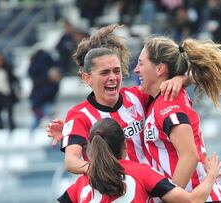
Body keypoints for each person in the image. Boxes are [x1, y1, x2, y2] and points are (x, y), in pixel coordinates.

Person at [47, 24, 187, 174]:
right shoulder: (79, 115)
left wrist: (180, 79)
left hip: (150, 189)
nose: (113, 78)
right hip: (116, 193)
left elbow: (195, 75)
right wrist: (109, 171)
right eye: (105, 72)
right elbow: (71, 162)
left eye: (116, 71)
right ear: (87, 78)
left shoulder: (137, 96)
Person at [134, 35, 221, 202]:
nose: (136, 69)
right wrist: (184, 78)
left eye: (141, 63)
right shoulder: (161, 99)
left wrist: (170, 199)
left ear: (160, 69)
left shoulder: (167, 102)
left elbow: (189, 156)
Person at [58, 118, 221, 203]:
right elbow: (191, 201)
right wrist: (211, 176)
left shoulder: (80, 185)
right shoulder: (141, 172)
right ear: (124, 144)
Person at [29, 49, 62, 131]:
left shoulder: (38, 69)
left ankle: (32, 137)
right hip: (42, 101)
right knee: (45, 121)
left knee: (46, 121)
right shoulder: (45, 74)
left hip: (44, 100)